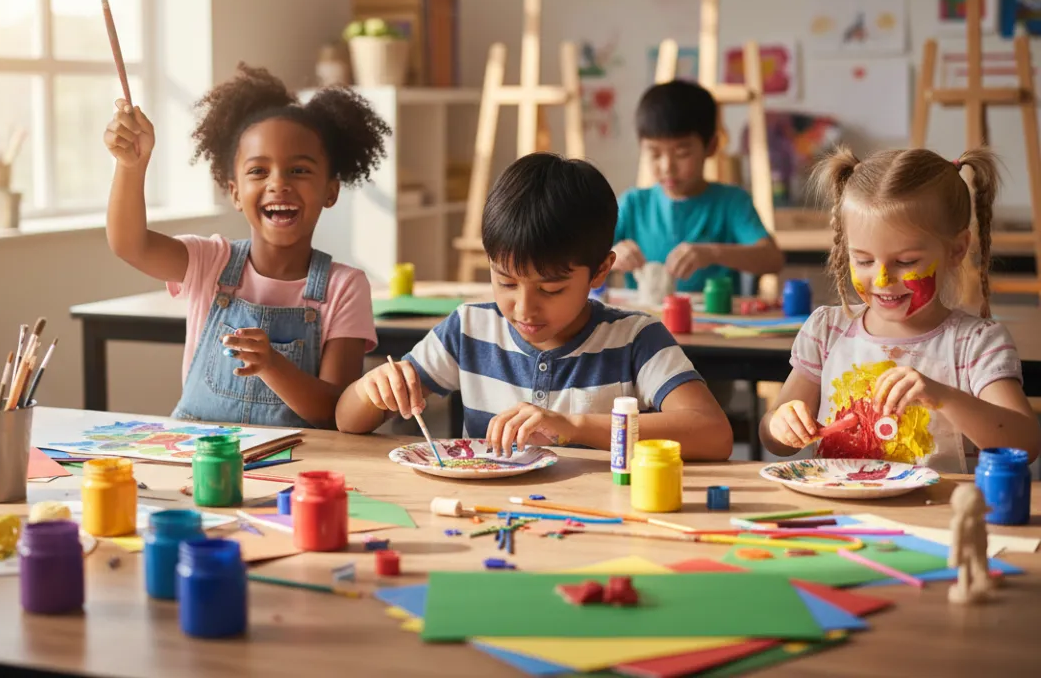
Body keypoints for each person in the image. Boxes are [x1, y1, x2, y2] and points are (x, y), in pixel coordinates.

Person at [336, 152, 734, 460]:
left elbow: (713, 433)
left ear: (600, 272)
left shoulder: (634, 339)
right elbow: (347, 421)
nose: (525, 308)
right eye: (506, 282)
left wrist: (573, 426)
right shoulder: (469, 329)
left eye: (552, 289)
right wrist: (372, 390)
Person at [103, 63, 388, 426]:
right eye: (258, 171)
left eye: (299, 170)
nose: (278, 184)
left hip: (296, 465)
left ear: (330, 191)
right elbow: (130, 244)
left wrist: (273, 366)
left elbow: (337, 412)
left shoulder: (344, 287)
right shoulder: (210, 261)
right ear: (235, 192)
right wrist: (131, 166)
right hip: (201, 458)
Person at [760, 147, 1040, 472]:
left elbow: (1026, 444)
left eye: (906, 262)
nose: (882, 278)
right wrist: (781, 423)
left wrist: (943, 397)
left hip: (935, 516)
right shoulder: (827, 330)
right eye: (863, 260)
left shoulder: (975, 343)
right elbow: (772, 440)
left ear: (957, 250)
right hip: (841, 515)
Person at [612, 80, 783, 292]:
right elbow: (580, 256)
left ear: (711, 146)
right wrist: (611, 255)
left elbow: (773, 259)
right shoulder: (633, 204)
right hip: (645, 321)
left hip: (714, 321)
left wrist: (712, 253)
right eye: (655, 154)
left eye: (682, 153)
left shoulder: (731, 202)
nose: (667, 167)